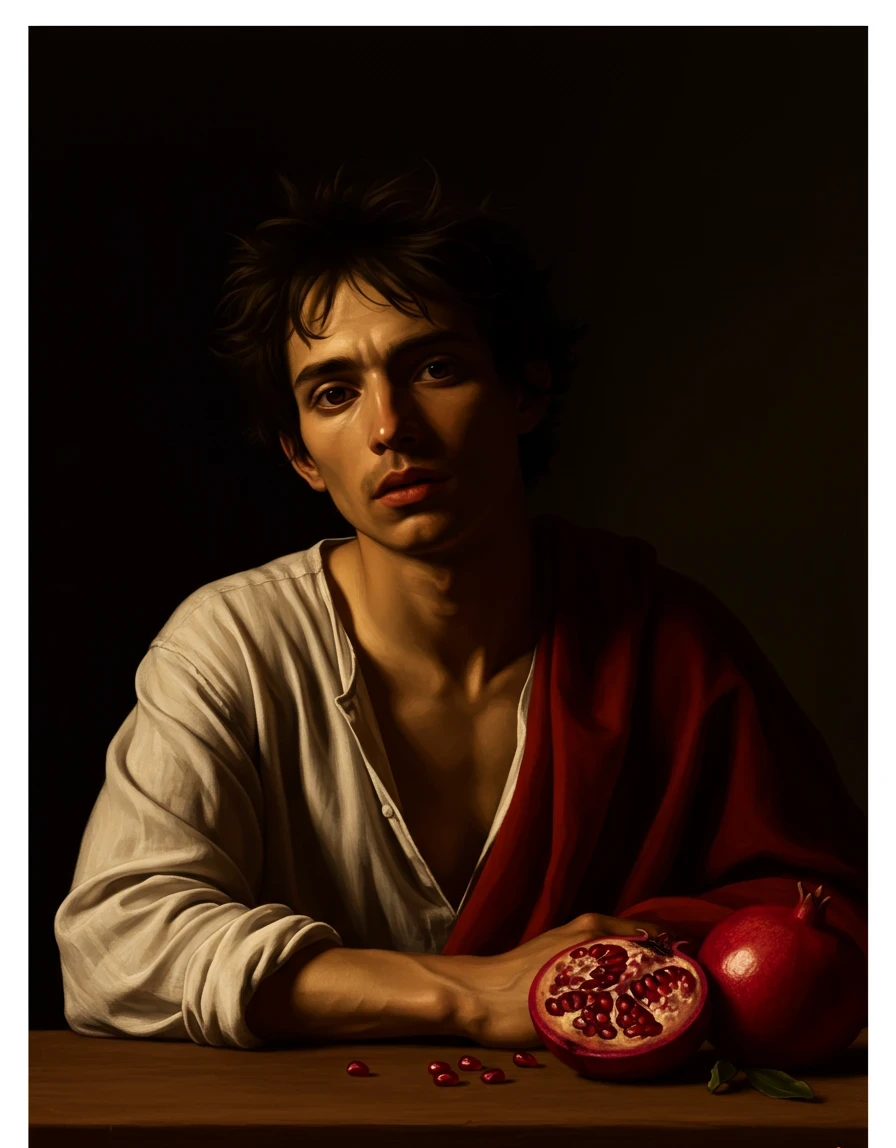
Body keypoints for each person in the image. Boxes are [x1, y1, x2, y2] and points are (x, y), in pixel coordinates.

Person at [54, 161, 866, 1053]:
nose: (389, 425)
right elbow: (113, 947)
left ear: (525, 389)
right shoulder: (233, 647)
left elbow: (825, 917)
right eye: (335, 393)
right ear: (301, 456)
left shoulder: (668, 641)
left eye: (434, 367)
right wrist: (468, 996)